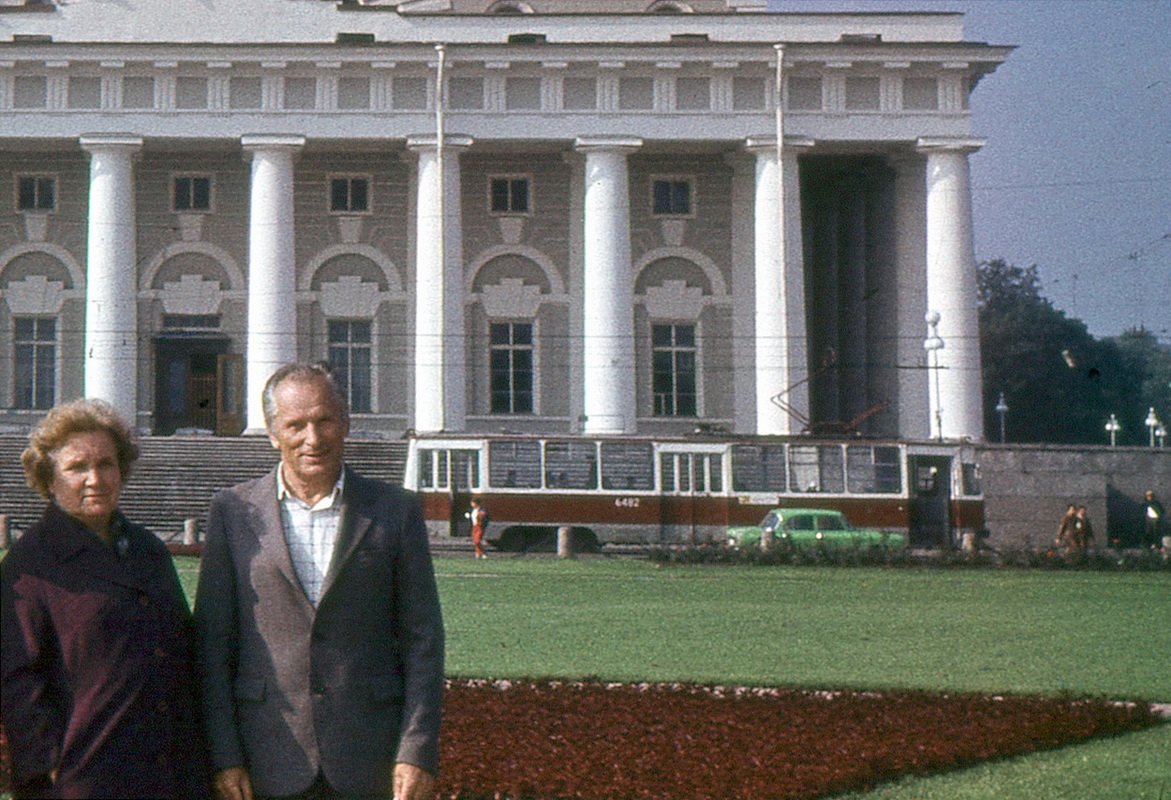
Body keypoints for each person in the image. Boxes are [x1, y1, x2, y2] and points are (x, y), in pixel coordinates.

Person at [194, 363, 444, 800]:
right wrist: (224, 755)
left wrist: (416, 750)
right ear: (273, 433)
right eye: (295, 425)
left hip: (369, 757)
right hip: (266, 755)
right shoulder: (232, 512)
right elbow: (213, 645)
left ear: (345, 422)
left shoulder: (395, 511)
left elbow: (422, 639)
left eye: (324, 420)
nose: (313, 438)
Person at [0, 399, 210, 799]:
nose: (95, 478)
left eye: (105, 464)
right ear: (50, 477)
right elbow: (17, 679)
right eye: (77, 467)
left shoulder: (148, 549)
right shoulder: (31, 566)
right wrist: (46, 770)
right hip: (87, 779)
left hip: (174, 774)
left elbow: (184, 652)